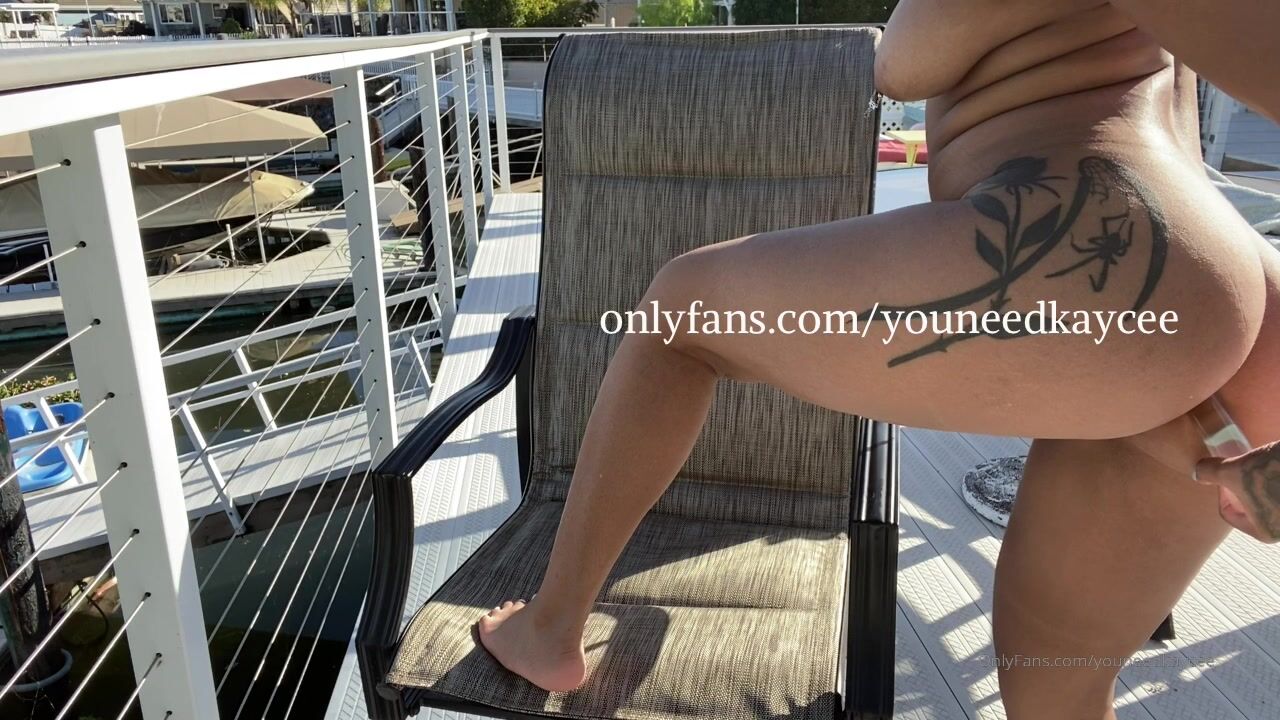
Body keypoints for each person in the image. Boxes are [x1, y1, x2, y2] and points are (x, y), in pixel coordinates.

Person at [475, 2, 1280, 718]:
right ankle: (1206, 444)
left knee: (680, 313)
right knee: (1056, 687)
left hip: (1101, 266)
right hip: (1218, 295)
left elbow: (905, 63)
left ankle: (550, 630)